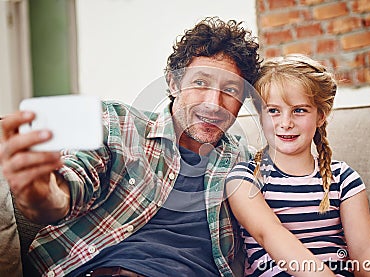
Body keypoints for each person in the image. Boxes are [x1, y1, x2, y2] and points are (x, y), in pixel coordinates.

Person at [0, 17, 261, 277]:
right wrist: (39, 191)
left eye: (230, 89)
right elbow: (69, 189)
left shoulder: (244, 161)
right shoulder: (117, 124)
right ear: (173, 83)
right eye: (200, 83)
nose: (214, 103)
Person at [226, 54, 370, 276]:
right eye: (273, 110)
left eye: (299, 110)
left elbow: (365, 252)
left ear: (321, 116)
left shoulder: (343, 178)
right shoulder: (244, 179)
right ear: (260, 116)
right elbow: (271, 235)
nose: (286, 123)